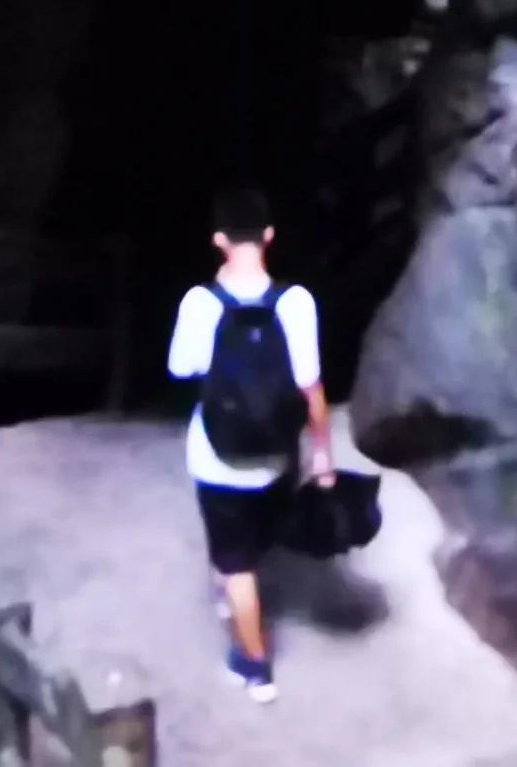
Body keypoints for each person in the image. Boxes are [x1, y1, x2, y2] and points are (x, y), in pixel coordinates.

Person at [170, 185, 329, 703]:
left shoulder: (200, 303)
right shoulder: (296, 302)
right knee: (253, 540)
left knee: (235, 562)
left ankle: (253, 664)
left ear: (218, 240)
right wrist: (322, 453)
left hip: (216, 456)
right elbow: (311, 387)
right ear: (269, 236)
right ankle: (239, 594)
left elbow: (182, 368)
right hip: (276, 455)